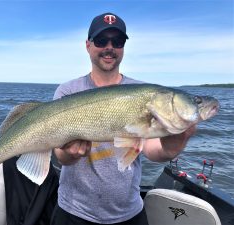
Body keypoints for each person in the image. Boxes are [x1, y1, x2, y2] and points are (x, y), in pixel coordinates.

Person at [50, 12, 196, 225]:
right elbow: (60, 156)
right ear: (88, 45)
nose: (109, 47)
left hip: (129, 213)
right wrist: (69, 154)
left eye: (117, 41)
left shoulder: (144, 93)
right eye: (101, 40)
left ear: (123, 48)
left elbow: (152, 149)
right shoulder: (68, 91)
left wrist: (172, 147)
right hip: (73, 212)